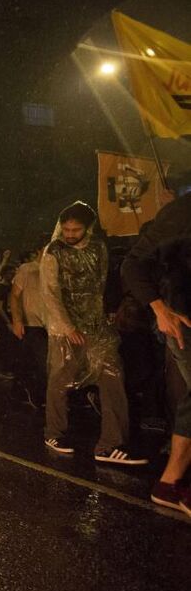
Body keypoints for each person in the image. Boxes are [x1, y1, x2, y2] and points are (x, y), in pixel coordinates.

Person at [40, 201, 146, 464]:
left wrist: (105, 317)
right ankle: (54, 432)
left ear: (88, 228)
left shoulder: (99, 248)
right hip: (65, 330)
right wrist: (68, 327)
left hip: (97, 327)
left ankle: (111, 444)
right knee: (61, 380)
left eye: (75, 230)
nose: (69, 235)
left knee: (113, 376)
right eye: (66, 229)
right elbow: (50, 294)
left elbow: (101, 284)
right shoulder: (54, 251)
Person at [121, 192, 191, 510]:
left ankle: (169, 483)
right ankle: (170, 483)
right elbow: (133, 265)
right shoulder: (182, 211)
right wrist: (161, 310)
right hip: (184, 319)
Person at [10, 247, 47, 408]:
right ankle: (36, 394)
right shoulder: (27, 269)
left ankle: (25, 390)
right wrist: (17, 320)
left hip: (51, 324)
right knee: (41, 362)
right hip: (32, 324)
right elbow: (14, 295)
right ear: (39, 251)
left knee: (39, 361)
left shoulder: (54, 270)